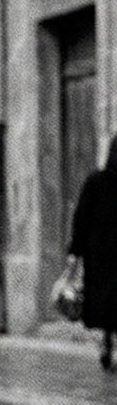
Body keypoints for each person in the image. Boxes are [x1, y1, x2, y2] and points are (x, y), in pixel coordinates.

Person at [69, 134, 117, 371]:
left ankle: (107, 339)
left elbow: (82, 218)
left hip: (99, 254)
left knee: (105, 300)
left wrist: (75, 252)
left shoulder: (96, 181)